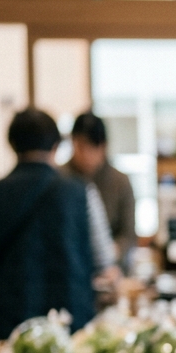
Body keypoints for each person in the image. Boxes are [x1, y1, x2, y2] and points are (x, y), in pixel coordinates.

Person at [0, 108, 117, 353]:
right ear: (56, 145)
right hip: (70, 331)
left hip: (8, 331)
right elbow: (104, 259)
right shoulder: (82, 192)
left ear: (12, 144)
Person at [63, 111, 136, 262]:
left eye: (92, 148)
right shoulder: (60, 179)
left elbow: (128, 235)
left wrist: (111, 255)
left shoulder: (119, 181)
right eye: (80, 147)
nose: (86, 155)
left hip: (110, 269)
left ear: (104, 147)